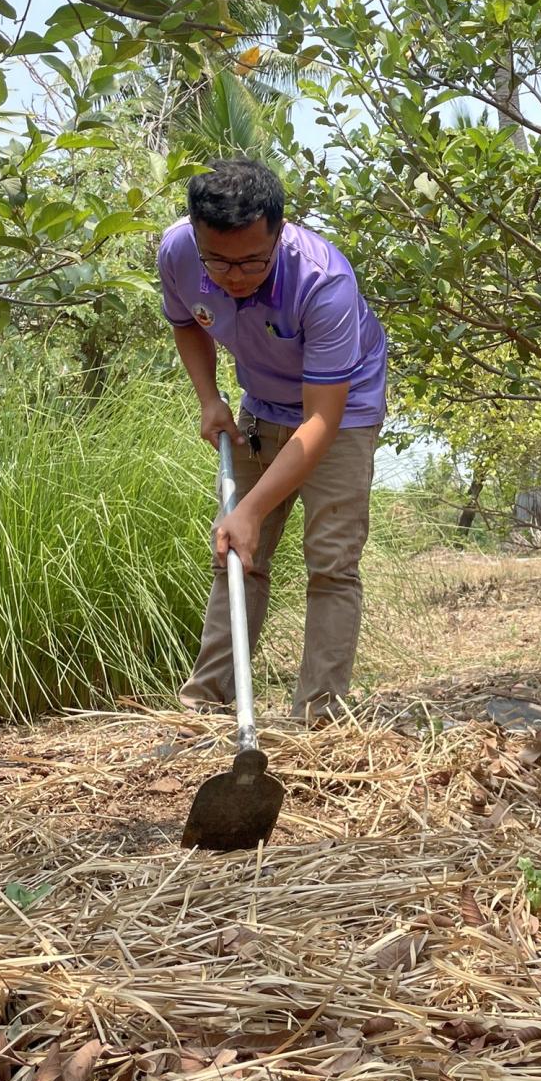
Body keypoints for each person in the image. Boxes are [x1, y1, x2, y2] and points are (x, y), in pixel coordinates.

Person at [159, 158, 387, 724]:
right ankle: (205, 707)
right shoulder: (178, 252)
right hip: (260, 408)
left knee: (332, 562)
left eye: (252, 262)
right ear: (196, 237)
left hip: (340, 414)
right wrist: (210, 398)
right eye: (220, 262)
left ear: (279, 233)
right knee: (238, 558)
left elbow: (319, 424)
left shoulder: (324, 282)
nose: (235, 277)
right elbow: (186, 322)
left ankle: (318, 717)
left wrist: (251, 510)